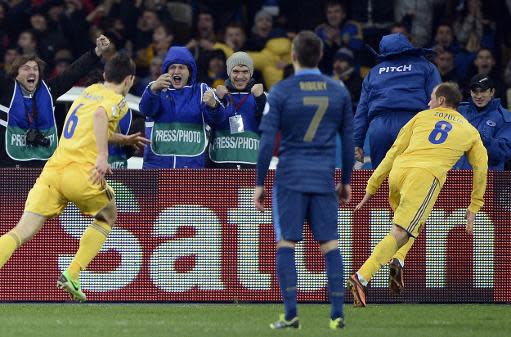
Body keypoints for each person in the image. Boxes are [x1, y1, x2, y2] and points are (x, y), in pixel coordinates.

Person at [0, 53, 136, 301]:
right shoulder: (118, 101)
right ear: (129, 80)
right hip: (80, 173)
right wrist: (103, 158)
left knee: (20, 231)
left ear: (105, 75)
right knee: (108, 214)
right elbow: (99, 118)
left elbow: (91, 124)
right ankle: (73, 273)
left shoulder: (90, 91)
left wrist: (123, 139)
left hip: (52, 171)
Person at [347, 83, 488, 306]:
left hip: (399, 172)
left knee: (413, 223)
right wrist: (474, 205)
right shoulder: (470, 130)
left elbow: (394, 150)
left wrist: (371, 186)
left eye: (431, 98)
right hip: (425, 176)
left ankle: (399, 261)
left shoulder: (421, 117)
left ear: (441, 101)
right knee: (402, 231)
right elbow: (481, 168)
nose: (428, 102)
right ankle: (362, 277)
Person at [254, 31, 354, 330]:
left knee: (286, 243)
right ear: (321, 57)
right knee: (331, 245)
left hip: (290, 179)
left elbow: (267, 140)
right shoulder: (338, 91)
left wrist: (260, 182)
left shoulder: (282, 91)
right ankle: (337, 315)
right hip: (323, 179)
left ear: (294, 56)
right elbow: (348, 141)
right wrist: (346, 180)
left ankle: (290, 313)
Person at [0, 35, 111, 168]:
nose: (32, 72)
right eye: (26, 68)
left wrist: (97, 51)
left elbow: (74, 72)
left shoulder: (49, 90)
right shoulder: (5, 89)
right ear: (15, 74)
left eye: (35, 69)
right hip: (9, 166)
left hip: (43, 166)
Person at [353, 32, 441, 168]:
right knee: (412, 179)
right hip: (412, 124)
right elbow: (438, 100)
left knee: (381, 181)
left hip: (379, 128)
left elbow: (362, 110)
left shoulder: (374, 72)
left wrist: (357, 142)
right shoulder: (426, 66)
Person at [139, 46, 228, 168]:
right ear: (166, 71)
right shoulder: (154, 88)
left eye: (181, 67)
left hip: (191, 170)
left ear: (190, 71)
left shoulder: (201, 90)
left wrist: (214, 105)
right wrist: (153, 90)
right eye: (172, 67)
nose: (176, 71)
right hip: (156, 168)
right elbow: (145, 110)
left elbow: (220, 120)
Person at [208, 52, 266, 168]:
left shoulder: (262, 96)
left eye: (245, 71)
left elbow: (269, 126)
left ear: (251, 73)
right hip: (221, 163)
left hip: (252, 165)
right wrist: (217, 101)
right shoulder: (216, 96)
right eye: (235, 71)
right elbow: (209, 123)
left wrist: (261, 99)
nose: (240, 76)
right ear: (229, 73)